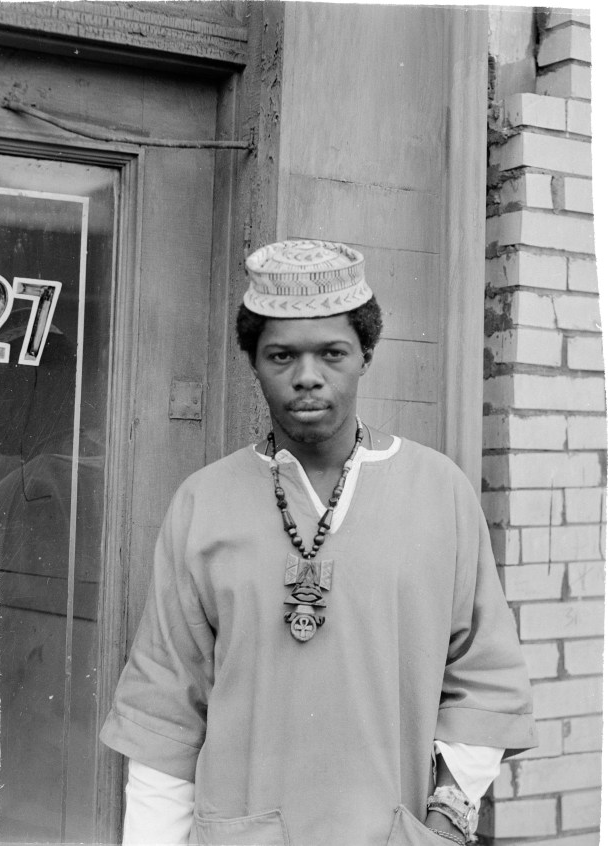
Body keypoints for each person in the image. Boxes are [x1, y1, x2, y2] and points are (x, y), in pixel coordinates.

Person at [100, 240, 537, 846]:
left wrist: (443, 821)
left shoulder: (441, 494)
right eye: (281, 355)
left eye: (332, 353)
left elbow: (485, 680)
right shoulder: (203, 504)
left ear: (365, 355)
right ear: (252, 361)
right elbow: (166, 710)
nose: (307, 376)